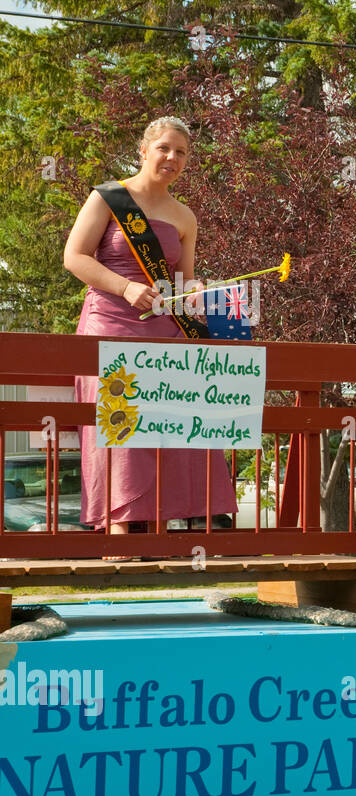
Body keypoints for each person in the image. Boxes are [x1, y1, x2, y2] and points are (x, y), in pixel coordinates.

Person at [63, 116, 235, 547]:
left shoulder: (184, 216)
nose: (172, 158)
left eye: (181, 152)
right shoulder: (108, 198)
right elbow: (74, 257)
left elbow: (185, 279)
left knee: (167, 422)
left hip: (163, 329)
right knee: (118, 422)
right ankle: (116, 527)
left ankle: (161, 523)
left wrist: (198, 295)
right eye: (164, 148)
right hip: (109, 321)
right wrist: (124, 286)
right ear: (144, 150)